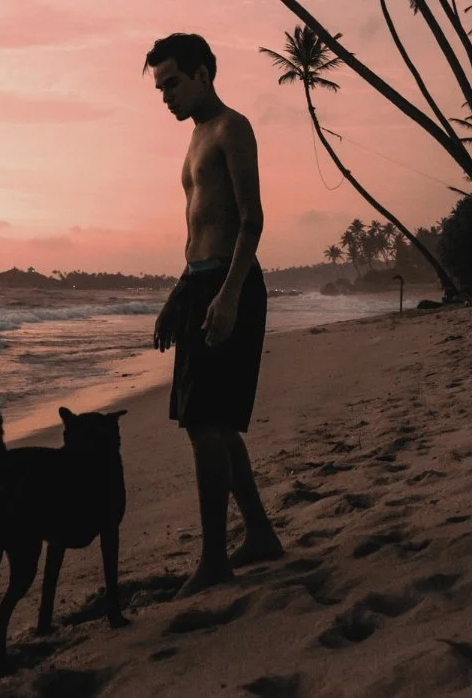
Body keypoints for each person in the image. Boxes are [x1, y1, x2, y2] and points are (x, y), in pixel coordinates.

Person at [145, 32, 283, 596]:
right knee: (213, 424)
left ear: (204, 74)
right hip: (202, 283)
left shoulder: (232, 128)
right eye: (160, 88)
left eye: (173, 83)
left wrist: (227, 296)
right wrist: (179, 293)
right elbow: (198, 229)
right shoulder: (196, 137)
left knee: (206, 425)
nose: (166, 97)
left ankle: (213, 561)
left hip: (232, 284)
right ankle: (260, 535)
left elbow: (250, 220)